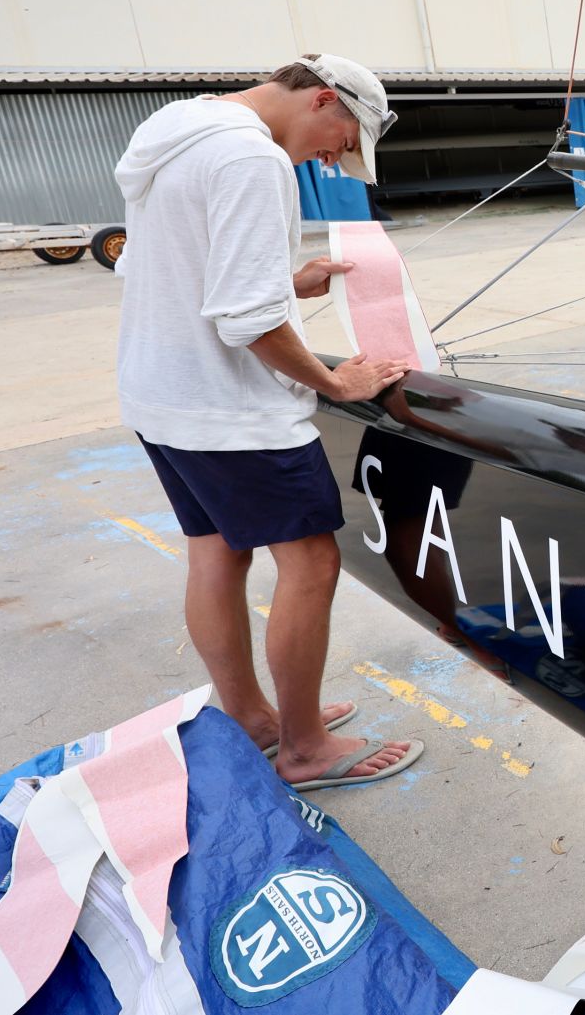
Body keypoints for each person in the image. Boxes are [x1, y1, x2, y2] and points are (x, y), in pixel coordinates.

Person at [115, 54, 423, 791]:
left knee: (215, 553)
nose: (333, 159)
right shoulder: (254, 159)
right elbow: (244, 317)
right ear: (323, 99)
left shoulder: (176, 129)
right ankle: (308, 748)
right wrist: (332, 380)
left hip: (160, 394)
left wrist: (289, 279)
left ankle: (254, 718)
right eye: (342, 141)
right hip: (231, 409)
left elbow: (170, 268)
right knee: (311, 563)